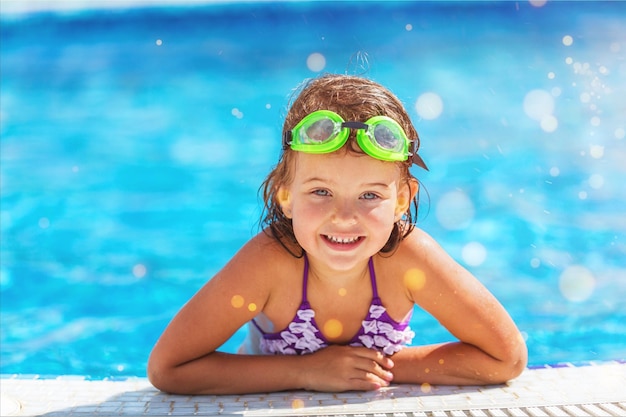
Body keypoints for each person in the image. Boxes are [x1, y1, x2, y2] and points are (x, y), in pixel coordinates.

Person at [147, 74, 527, 395]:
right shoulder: (269, 264)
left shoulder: (409, 259)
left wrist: (375, 368)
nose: (344, 217)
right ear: (285, 195)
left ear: (401, 200)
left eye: (369, 195)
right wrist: (305, 372)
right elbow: (169, 368)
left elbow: (506, 358)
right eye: (321, 192)